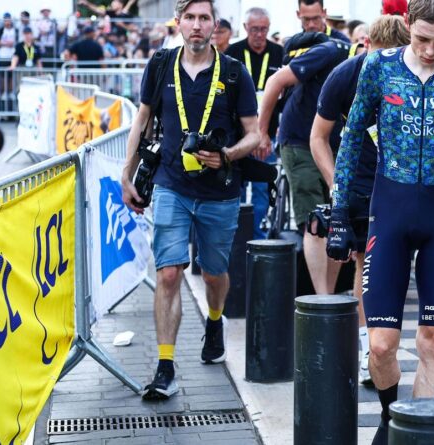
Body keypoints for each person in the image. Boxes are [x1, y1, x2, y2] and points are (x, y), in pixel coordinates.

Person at [326, 0, 434, 442]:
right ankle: (392, 419)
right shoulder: (378, 65)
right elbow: (350, 138)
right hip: (390, 209)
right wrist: (338, 211)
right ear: (407, 25)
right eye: (421, 39)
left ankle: (419, 434)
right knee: (383, 344)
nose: (429, 50)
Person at [120, 0, 260, 400]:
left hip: (219, 192)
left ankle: (215, 320)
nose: (197, 26)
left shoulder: (234, 73)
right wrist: (125, 174)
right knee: (168, 272)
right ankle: (165, 367)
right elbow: (141, 120)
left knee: (214, 273)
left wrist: (227, 155)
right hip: (170, 185)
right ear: (178, 22)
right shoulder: (161, 64)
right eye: (190, 19)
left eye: (204, 19)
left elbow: (254, 134)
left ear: (215, 25)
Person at [310, 14, 410, 386]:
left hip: (397, 187)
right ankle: (365, 347)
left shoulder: (413, 75)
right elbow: (318, 137)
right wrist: (339, 186)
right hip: (356, 184)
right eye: (378, 60)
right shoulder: (345, 75)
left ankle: (377, 350)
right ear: (365, 46)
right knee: (361, 263)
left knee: (380, 268)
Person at [256, 0, 352, 294]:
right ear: (299, 15)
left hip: (333, 144)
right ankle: (321, 299)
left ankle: (330, 296)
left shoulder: (343, 46)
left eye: (315, 18)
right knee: (315, 221)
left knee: (337, 219)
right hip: (300, 142)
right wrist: (261, 133)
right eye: (306, 18)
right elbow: (274, 82)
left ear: (324, 13)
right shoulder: (324, 49)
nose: (310, 24)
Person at [226, 7, 284, 239]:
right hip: (238, 137)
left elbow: (283, 99)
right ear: (245, 29)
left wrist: (266, 134)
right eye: (254, 30)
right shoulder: (233, 53)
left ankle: (256, 236)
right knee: (235, 188)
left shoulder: (279, 53)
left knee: (261, 187)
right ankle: (236, 235)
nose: (260, 34)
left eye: (264, 29)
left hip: (267, 136)